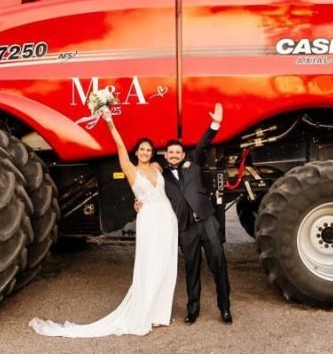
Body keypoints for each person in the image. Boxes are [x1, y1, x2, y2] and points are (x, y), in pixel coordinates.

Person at [28, 107, 179, 337]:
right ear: (137, 152)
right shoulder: (131, 169)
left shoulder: (158, 168)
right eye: (142, 149)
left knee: (166, 265)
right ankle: (144, 312)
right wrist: (109, 122)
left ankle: (159, 313)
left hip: (167, 218)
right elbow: (119, 145)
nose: (145, 152)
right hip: (149, 220)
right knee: (150, 265)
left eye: (149, 149)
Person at [160, 103, 232, 324]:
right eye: (170, 152)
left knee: (218, 264)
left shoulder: (194, 162)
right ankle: (193, 310)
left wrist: (215, 123)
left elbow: (204, 143)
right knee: (191, 269)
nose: (174, 155)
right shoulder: (161, 175)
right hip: (186, 228)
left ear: (183, 154)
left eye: (177, 152)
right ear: (166, 155)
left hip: (207, 222)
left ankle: (225, 309)